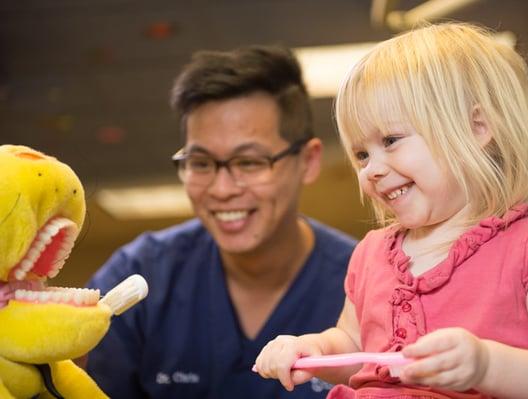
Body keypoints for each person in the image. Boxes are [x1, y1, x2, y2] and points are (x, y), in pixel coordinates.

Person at [254, 23, 528, 399]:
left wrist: (486, 365)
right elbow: (354, 345)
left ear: (476, 129)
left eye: (391, 140)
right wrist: (316, 349)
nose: (373, 168)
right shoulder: (371, 254)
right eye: (361, 155)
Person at [85, 45, 357, 398]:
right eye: (200, 163)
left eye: (249, 163)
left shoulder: (369, 284)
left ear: (307, 160)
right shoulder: (140, 276)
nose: (222, 189)